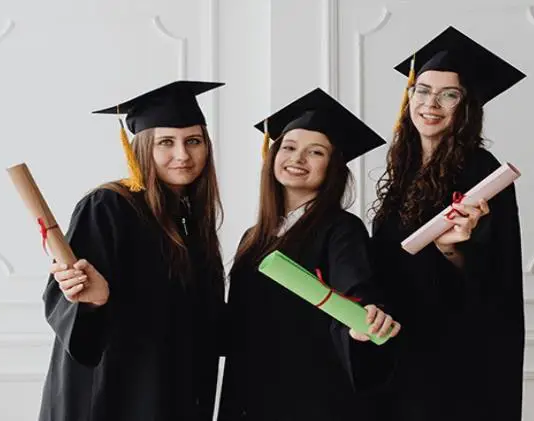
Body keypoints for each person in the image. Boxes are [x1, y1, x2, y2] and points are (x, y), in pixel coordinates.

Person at [38, 80, 227, 421]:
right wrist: (94, 300)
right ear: (141, 148)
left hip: (173, 394)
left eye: (193, 141)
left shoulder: (192, 219)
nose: (182, 154)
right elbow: (68, 310)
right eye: (166, 142)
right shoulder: (108, 206)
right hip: (114, 395)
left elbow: (207, 322)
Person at [370, 26, 526, 420]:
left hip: (449, 351)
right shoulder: (403, 167)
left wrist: (451, 247)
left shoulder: (479, 169)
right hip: (399, 343)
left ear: (467, 105)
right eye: (422, 90)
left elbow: (492, 275)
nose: (430, 103)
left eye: (448, 94)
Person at [217, 88, 401, 421]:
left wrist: (362, 325)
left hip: (311, 396)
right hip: (251, 392)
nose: (297, 159)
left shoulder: (341, 229)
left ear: (333, 167)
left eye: (315, 152)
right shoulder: (254, 237)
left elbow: (357, 292)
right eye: (288, 148)